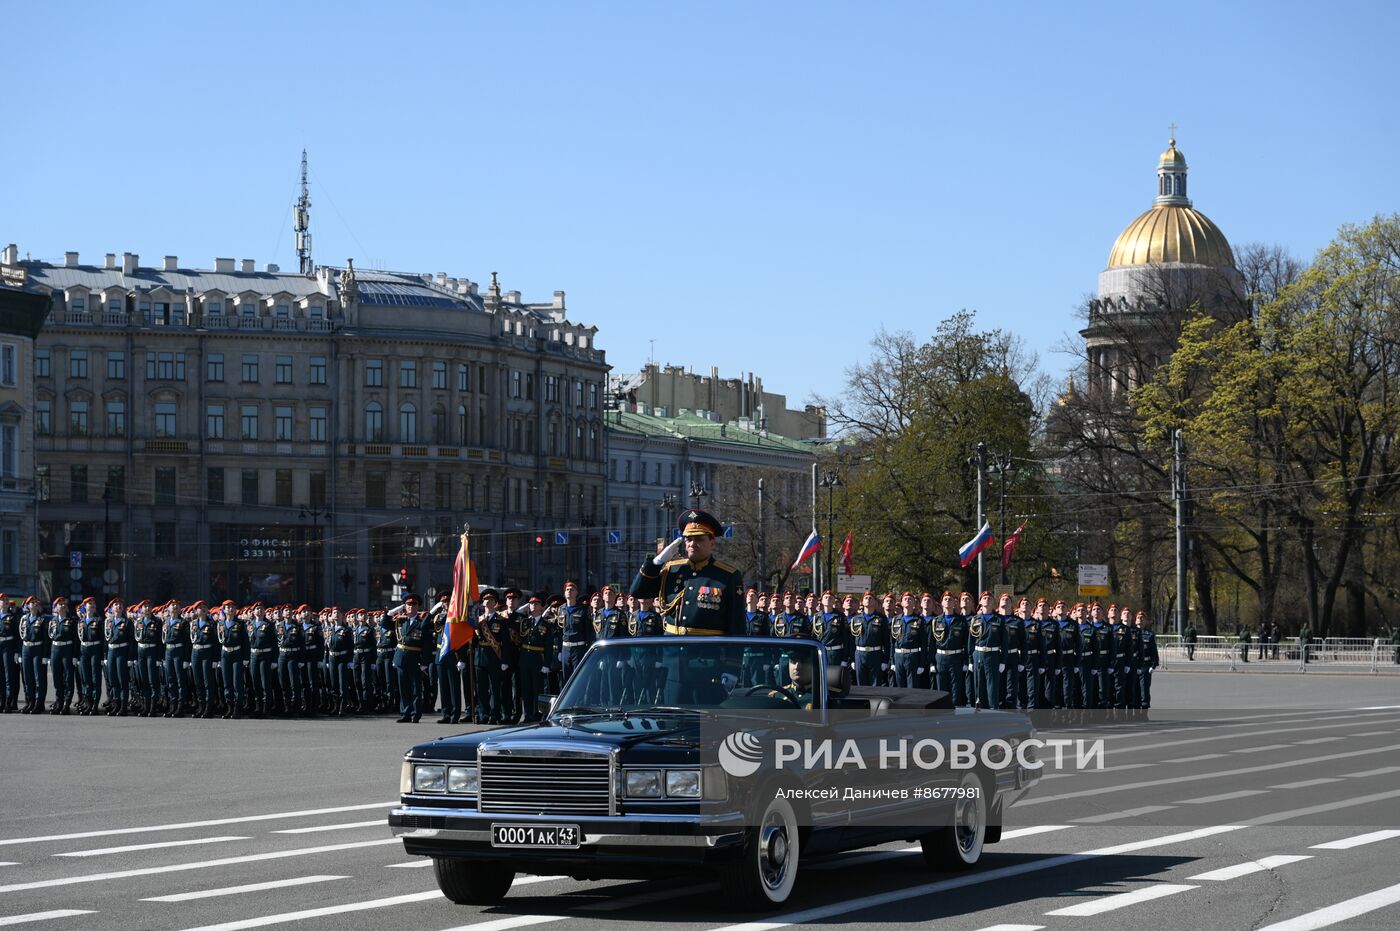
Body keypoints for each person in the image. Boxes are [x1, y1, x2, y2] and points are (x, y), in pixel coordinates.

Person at [630, 508, 745, 636]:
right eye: (688, 539)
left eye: (699, 539)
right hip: (672, 651)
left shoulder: (727, 575)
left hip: (707, 652)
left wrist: (733, 655)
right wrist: (655, 563)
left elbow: (737, 624)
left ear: (712, 543)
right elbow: (638, 592)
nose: (692, 544)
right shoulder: (672, 569)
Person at [392, 594, 430, 723]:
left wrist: (425, 662)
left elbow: (427, 644)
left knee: (415, 688)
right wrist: (394, 610)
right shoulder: (400, 620)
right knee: (403, 688)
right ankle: (405, 713)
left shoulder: (422, 621)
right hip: (401, 658)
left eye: (413, 604)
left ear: (417, 606)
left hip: (415, 658)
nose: (410, 607)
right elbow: (385, 623)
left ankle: (415, 714)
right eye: (408, 605)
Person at [931, 591, 969, 706]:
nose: (948, 601)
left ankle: (955, 710)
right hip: (940, 657)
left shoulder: (961, 620)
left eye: (950, 599)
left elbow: (966, 643)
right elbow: (932, 644)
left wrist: (966, 661)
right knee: (941, 687)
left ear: (954, 603)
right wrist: (932, 663)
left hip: (955, 657)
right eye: (946, 599)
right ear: (942, 603)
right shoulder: (936, 621)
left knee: (955, 687)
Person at [970, 592, 1006, 710]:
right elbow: (970, 642)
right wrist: (970, 660)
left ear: (993, 602)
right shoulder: (975, 619)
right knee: (979, 687)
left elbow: (1004, 642)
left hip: (993, 655)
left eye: (989, 598)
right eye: (984, 598)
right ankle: (980, 713)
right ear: (980, 602)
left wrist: (1002, 661)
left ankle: (993, 712)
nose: (987, 600)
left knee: (992, 687)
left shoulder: (999, 620)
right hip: (978, 654)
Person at [217, 600, 248, 719]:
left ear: (235, 610)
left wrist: (245, 657)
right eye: (227, 607)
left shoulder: (240, 624)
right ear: (224, 610)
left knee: (237, 682)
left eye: (232, 607)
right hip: (225, 653)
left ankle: (237, 709)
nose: (230, 609)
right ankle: (229, 707)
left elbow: (246, 642)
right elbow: (217, 642)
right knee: (227, 681)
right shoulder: (220, 623)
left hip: (237, 653)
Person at [103, 599, 135, 716]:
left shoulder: (127, 622)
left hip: (122, 651)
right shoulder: (108, 622)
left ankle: (123, 706)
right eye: (116, 605)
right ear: (111, 608)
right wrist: (105, 656)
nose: (118, 606)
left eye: (120, 605)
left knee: (122, 680)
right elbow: (105, 641)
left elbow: (131, 641)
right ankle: (116, 705)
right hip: (111, 651)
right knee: (113, 679)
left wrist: (130, 658)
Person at [47, 597, 78, 714]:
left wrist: (75, 655)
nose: (63, 606)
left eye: (64, 604)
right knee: (57, 676)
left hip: (67, 649)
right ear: (56, 608)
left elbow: (76, 639)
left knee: (68, 677)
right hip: (55, 649)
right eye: (60, 604)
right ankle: (59, 701)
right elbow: (49, 638)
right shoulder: (52, 621)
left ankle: (66, 703)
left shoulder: (71, 621)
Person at [890, 592, 927, 689]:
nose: (907, 600)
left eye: (910, 599)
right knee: (900, 686)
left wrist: (921, 664)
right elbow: (892, 643)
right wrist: (893, 662)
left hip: (912, 656)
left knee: (912, 687)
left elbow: (924, 643)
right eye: (905, 599)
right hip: (898, 656)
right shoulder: (896, 620)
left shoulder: (919, 620)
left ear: (914, 603)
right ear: (901, 603)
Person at [851, 591, 888, 687]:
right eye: (866, 598)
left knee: (875, 685)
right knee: (861, 685)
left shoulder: (881, 619)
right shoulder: (855, 619)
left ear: (875, 602)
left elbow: (887, 642)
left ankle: (874, 702)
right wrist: (852, 659)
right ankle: (863, 703)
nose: (868, 600)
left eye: (871, 598)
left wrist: (885, 660)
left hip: (875, 654)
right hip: (859, 654)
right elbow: (851, 642)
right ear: (862, 602)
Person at [76, 597, 105, 715]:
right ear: (85, 607)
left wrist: (103, 656)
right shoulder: (81, 622)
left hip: (95, 649)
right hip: (84, 650)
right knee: (86, 678)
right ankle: (88, 702)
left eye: (93, 603)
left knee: (95, 678)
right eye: (89, 604)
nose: (92, 605)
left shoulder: (99, 621)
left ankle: (95, 705)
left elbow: (103, 639)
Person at [1136, 612, 1159, 710]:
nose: (1140, 620)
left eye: (1142, 618)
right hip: (1134, 664)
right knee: (1134, 689)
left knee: (1144, 689)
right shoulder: (1131, 632)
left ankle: (1144, 711)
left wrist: (1153, 665)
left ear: (1145, 621)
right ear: (1135, 620)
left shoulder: (1149, 635)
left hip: (1145, 665)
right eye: (1138, 618)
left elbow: (1154, 651)